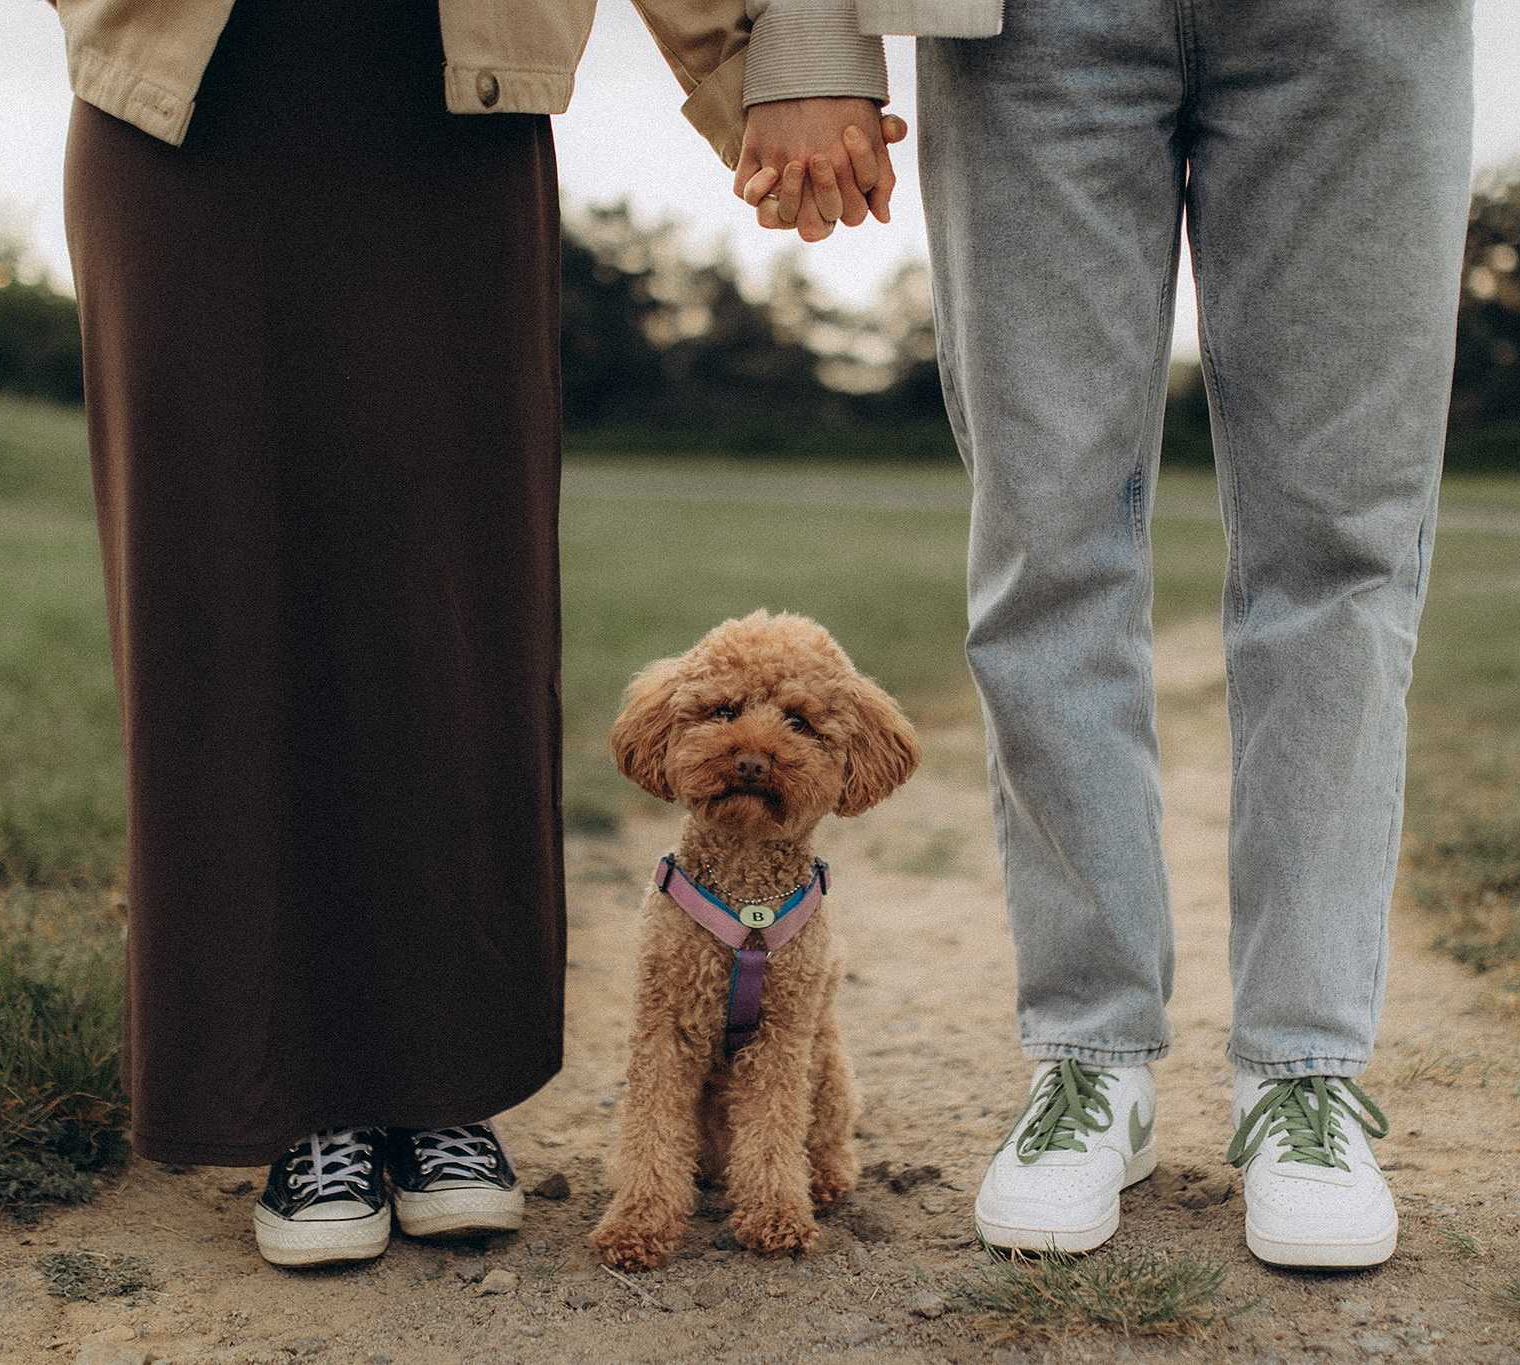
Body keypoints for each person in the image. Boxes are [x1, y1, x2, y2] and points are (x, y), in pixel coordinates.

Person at [47, 0, 909, 1267]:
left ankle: (438, 1077)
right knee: (221, 601)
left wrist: (768, 75)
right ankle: (295, 1094)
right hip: (189, 102)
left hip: (451, 108)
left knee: (451, 609)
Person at [743, 0, 1473, 1267]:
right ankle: (1092, 1060)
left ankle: (1300, 1075)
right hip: (1028, 25)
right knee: (1046, 544)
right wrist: (810, 34)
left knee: (1340, 551)